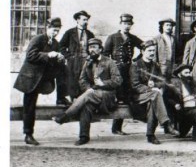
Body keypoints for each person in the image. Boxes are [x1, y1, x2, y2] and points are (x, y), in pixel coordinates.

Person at [52, 38, 122, 146]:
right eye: (90, 47)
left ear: (100, 49)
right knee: (86, 106)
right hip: (92, 95)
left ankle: (66, 116)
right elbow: (82, 79)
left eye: (94, 47)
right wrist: (88, 88)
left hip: (107, 97)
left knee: (89, 95)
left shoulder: (109, 62)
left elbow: (118, 80)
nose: (91, 50)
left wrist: (103, 83)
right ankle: (84, 137)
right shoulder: (88, 62)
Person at [13, 17, 66, 145]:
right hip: (30, 79)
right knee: (29, 107)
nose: (55, 33)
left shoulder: (55, 43)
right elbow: (30, 56)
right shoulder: (38, 39)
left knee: (65, 69)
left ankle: (62, 97)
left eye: (57, 31)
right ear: (47, 28)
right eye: (53, 30)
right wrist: (48, 54)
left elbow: (52, 60)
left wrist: (59, 58)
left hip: (42, 79)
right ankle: (28, 134)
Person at [129, 40, 179, 144]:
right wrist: (150, 88)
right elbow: (135, 85)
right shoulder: (135, 65)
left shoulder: (155, 65)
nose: (152, 53)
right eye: (149, 51)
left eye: (153, 51)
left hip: (152, 96)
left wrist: (155, 85)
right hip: (138, 96)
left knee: (153, 102)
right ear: (143, 51)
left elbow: (162, 82)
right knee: (156, 94)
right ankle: (166, 123)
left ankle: (150, 135)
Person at [103, 13, 143, 135]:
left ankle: (117, 127)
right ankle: (115, 128)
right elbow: (105, 54)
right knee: (118, 98)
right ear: (120, 24)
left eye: (129, 24)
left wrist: (137, 60)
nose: (127, 26)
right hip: (117, 71)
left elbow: (144, 47)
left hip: (129, 70)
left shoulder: (132, 37)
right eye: (124, 23)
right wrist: (111, 64)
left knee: (125, 97)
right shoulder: (112, 37)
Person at [164, 64, 196, 146]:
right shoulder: (174, 84)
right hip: (186, 111)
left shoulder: (193, 83)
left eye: (189, 72)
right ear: (179, 75)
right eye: (186, 73)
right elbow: (167, 98)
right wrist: (175, 104)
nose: (189, 75)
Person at [57, 10, 94, 104]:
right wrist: (68, 56)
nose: (86, 22)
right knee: (72, 82)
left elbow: (94, 48)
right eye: (84, 19)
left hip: (86, 61)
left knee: (84, 81)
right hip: (73, 62)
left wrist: (91, 57)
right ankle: (73, 103)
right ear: (77, 20)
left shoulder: (90, 34)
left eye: (87, 20)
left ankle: (82, 103)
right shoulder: (70, 33)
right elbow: (61, 46)